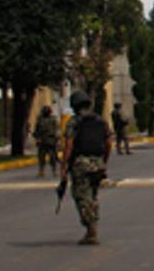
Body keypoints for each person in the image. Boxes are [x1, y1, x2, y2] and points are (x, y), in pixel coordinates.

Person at [61, 91, 112, 246]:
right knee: (93, 196)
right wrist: (104, 161)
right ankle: (93, 225)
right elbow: (109, 142)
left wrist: (64, 166)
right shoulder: (100, 120)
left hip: (80, 164)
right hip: (97, 164)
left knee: (82, 196)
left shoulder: (73, 122)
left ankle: (91, 230)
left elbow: (68, 145)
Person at [32, 106, 60, 178]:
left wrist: (57, 139)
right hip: (42, 140)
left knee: (53, 157)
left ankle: (54, 170)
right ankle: (41, 171)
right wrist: (37, 138)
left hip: (51, 140)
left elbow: (56, 129)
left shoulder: (53, 119)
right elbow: (37, 129)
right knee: (41, 157)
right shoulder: (40, 119)